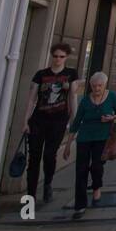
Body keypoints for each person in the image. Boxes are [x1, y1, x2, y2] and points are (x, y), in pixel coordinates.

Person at [21, 43, 79, 204]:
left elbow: (73, 98)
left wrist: (75, 119)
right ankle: (30, 194)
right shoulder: (41, 74)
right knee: (34, 157)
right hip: (38, 119)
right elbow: (32, 98)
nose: (58, 59)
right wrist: (25, 121)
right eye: (55, 56)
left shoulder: (71, 74)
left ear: (66, 57)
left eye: (61, 56)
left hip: (58, 120)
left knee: (49, 155)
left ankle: (47, 183)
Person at [63, 71, 116, 220]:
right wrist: (68, 145)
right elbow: (76, 123)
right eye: (94, 86)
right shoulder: (85, 101)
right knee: (81, 169)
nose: (97, 89)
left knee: (96, 166)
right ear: (90, 86)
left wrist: (112, 117)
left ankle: (96, 187)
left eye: (100, 86)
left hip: (102, 137)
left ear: (105, 85)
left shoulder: (111, 97)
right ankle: (80, 205)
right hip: (84, 137)